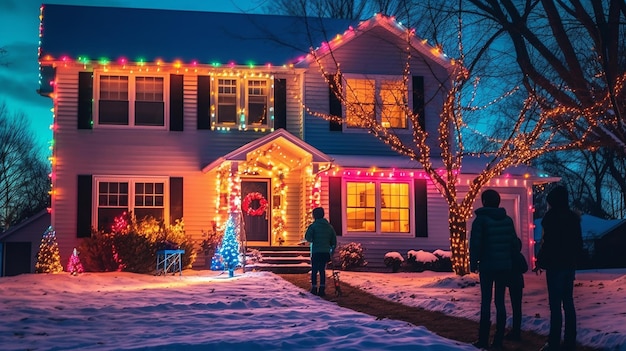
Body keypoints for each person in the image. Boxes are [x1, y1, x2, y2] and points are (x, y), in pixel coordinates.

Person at [536, 185, 584, 351]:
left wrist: (541, 260)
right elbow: (579, 243)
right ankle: (570, 340)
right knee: (568, 302)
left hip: (555, 265)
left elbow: (547, 243)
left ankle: (554, 341)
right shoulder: (573, 218)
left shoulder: (551, 218)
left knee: (555, 305)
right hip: (569, 264)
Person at [469, 189, 518, 350]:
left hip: (487, 266)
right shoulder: (507, 220)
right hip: (504, 266)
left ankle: (483, 339)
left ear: (485, 202)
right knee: (500, 302)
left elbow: (475, 244)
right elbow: (514, 243)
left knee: (486, 302)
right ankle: (498, 340)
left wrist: (473, 262)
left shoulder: (481, 221)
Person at [305, 207, 337, 297]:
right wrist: (332, 250)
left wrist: (313, 239)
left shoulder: (313, 226)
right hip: (325, 252)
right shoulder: (329, 227)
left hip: (316, 251)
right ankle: (322, 289)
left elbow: (308, 238)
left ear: (314, 216)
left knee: (314, 270)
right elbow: (333, 241)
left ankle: (314, 288)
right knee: (322, 270)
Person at [505, 237, 528, 341]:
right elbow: (525, 268)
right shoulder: (520, 256)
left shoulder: (509, 257)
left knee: (515, 307)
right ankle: (516, 330)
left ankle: (516, 332)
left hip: (512, 283)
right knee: (517, 307)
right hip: (518, 283)